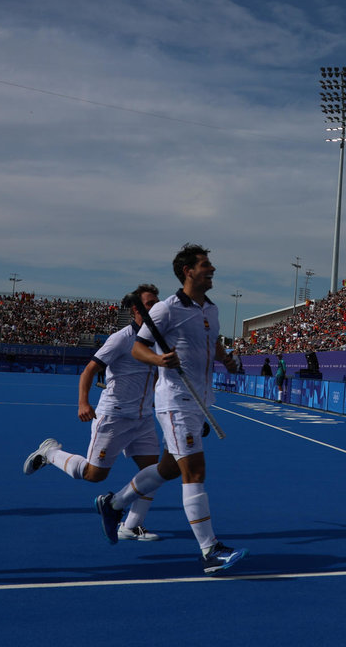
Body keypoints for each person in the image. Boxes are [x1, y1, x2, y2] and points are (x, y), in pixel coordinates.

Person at [94, 244, 246, 574]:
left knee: (170, 468)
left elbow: (214, 344)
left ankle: (114, 503)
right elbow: (138, 348)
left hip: (201, 401)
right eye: (206, 265)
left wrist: (227, 360)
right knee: (195, 471)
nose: (212, 269)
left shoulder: (212, 309)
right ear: (187, 271)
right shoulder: (167, 309)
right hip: (175, 402)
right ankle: (210, 550)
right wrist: (160, 359)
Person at [22, 285, 163, 541]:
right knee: (93, 475)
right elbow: (88, 371)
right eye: (150, 303)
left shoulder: (158, 339)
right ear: (136, 309)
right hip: (114, 417)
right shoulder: (121, 338)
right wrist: (83, 403)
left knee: (153, 472)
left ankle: (131, 526)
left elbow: (153, 375)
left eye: (157, 302)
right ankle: (50, 453)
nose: (156, 307)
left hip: (142, 418)